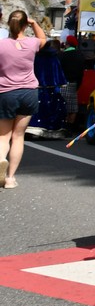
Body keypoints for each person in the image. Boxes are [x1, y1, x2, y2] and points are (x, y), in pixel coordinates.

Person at [0, 10, 48, 188]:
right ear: (24, 25)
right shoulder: (32, 43)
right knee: (18, 136)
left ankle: (0, 158)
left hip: (6, 92)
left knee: (3, 136)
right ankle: (11, 178)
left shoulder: (2, 45)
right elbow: (44, 39)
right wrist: (34, 23)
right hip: (28, 92)